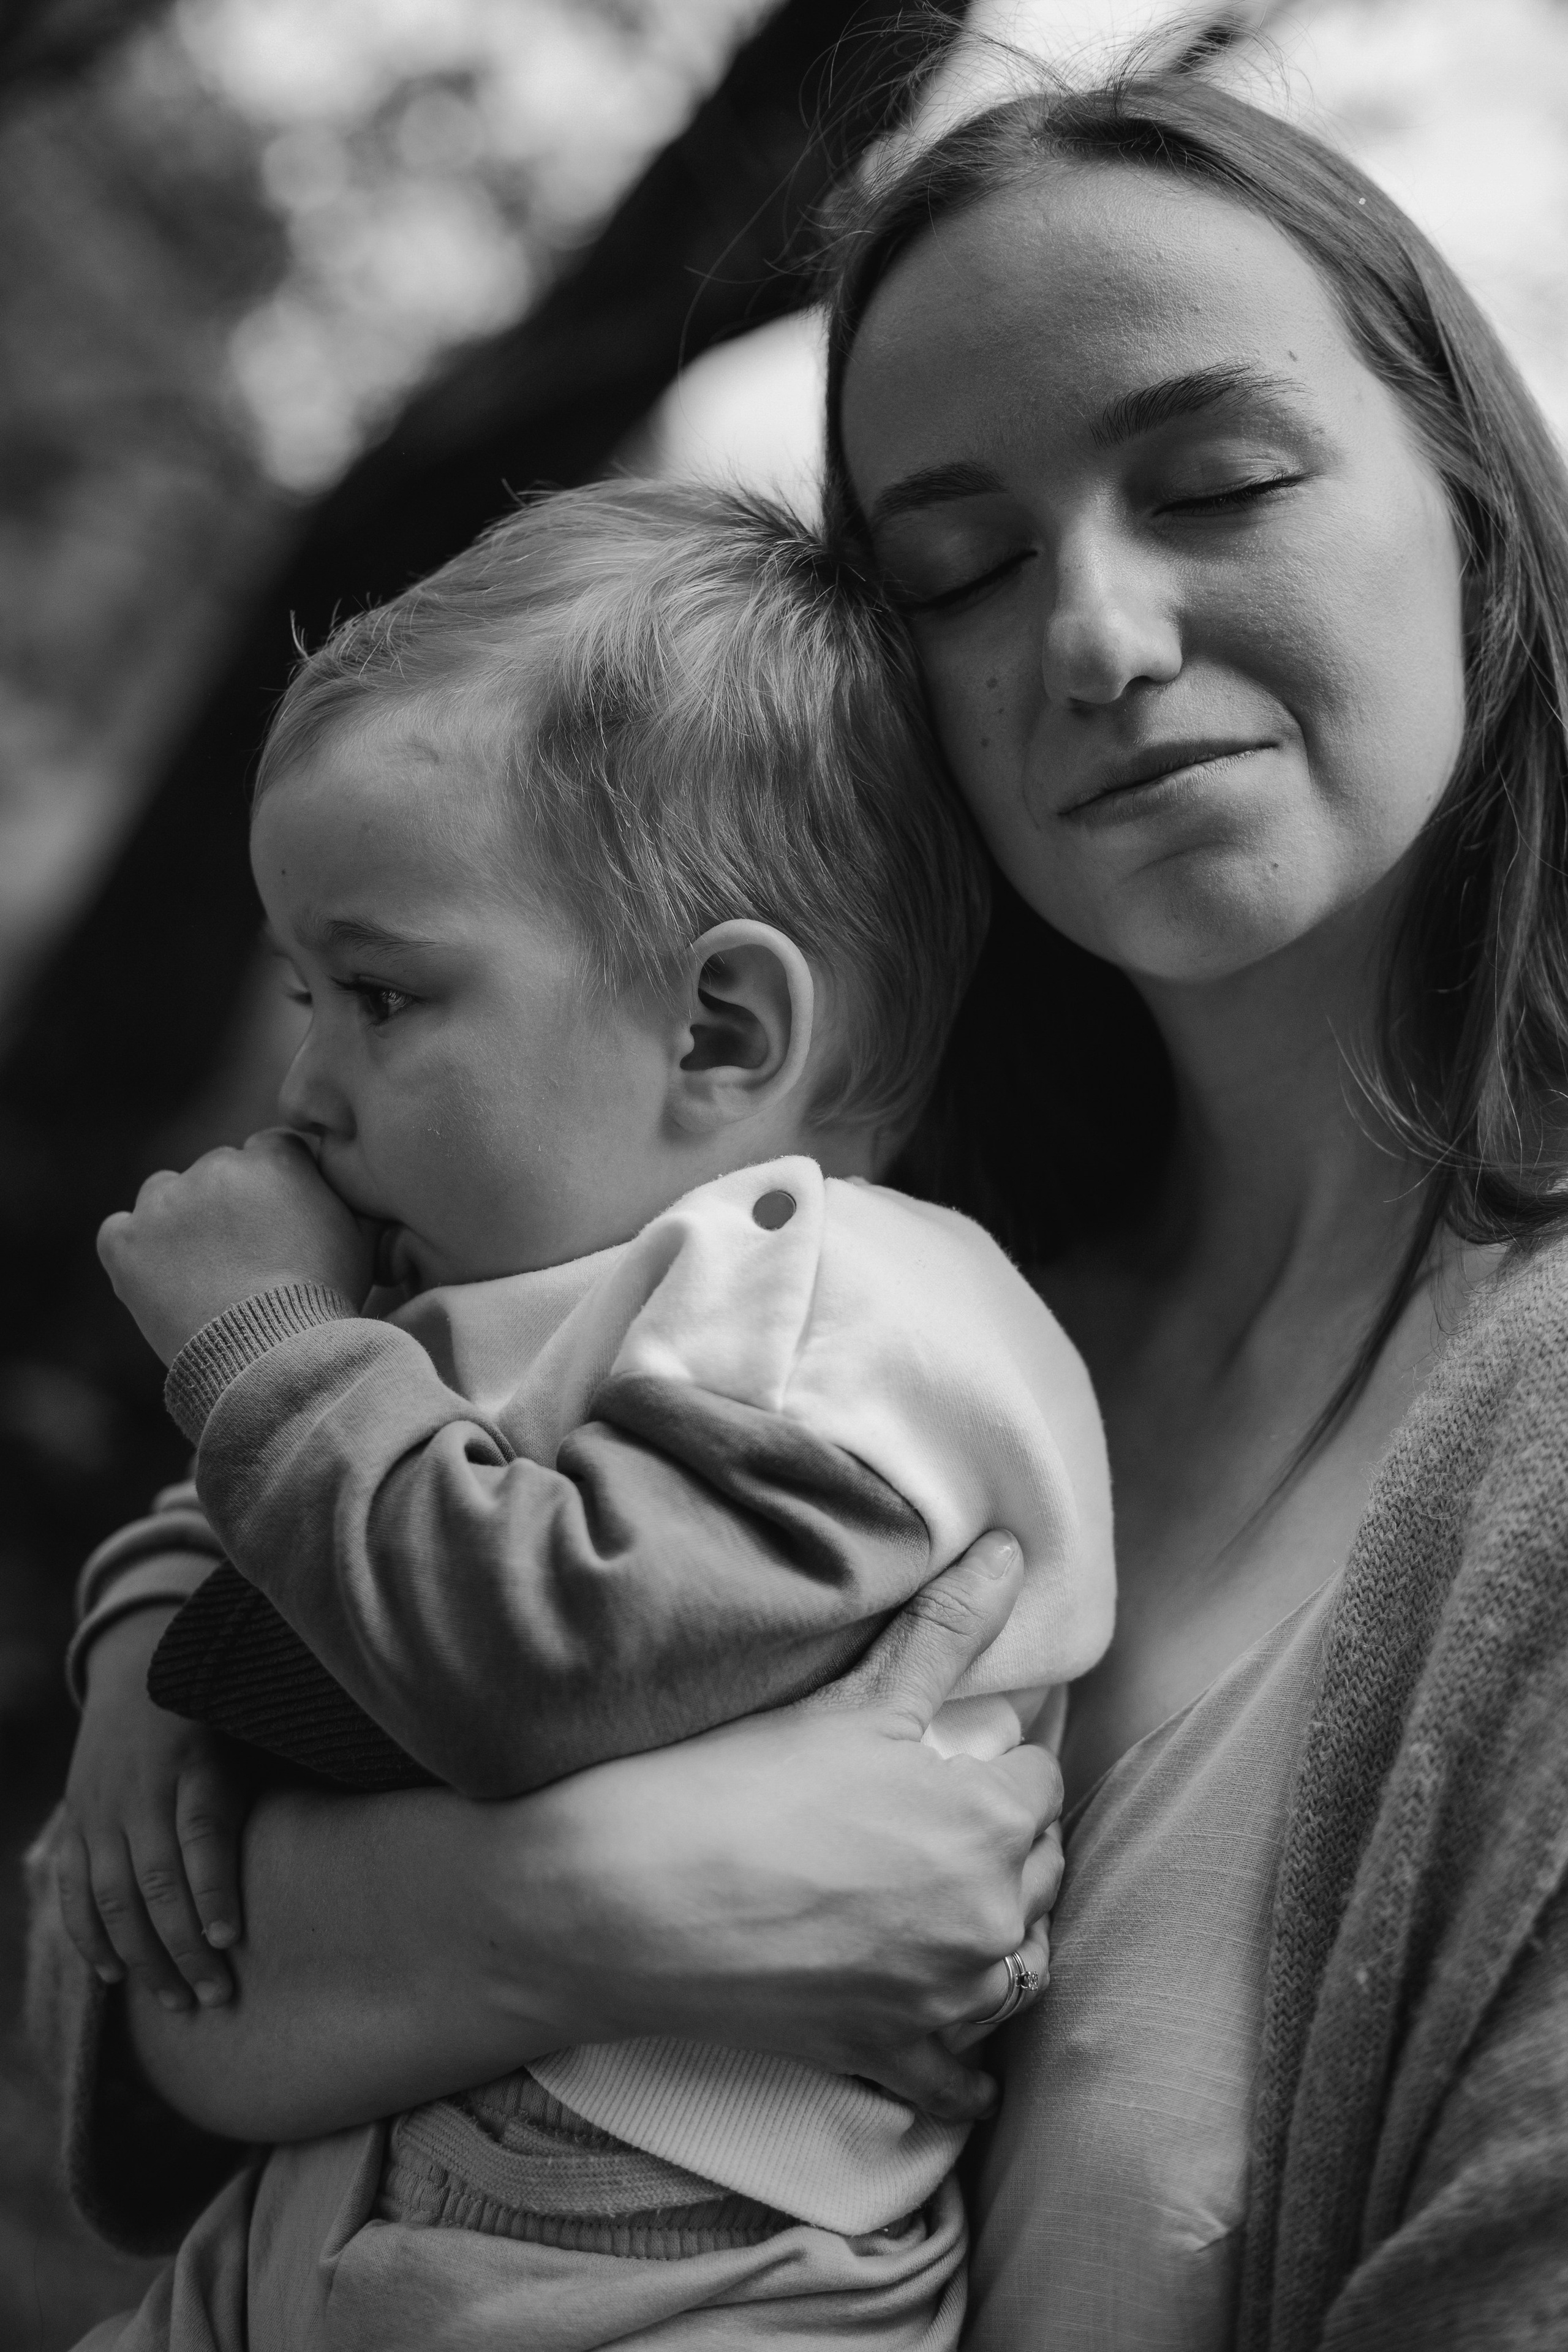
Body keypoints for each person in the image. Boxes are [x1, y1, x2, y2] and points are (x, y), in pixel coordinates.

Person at [30, 56, 1568, 2352]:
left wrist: (392, 1909)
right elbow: (127, 2027)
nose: (1098, 637)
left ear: (1465, 507)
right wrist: (596, 1904)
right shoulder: (747, 1241)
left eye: (1219, 479)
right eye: (957, 568)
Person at [52, 477, 1114, 2350]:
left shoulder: (838, 1310)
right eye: (306, 989)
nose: (307, 1080)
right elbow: (293, 1536)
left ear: (719, 1034)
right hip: (386, 2174)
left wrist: (265, 1349)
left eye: (382, 994)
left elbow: (536, 1659)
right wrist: (150, 1645)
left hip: (671, 2258)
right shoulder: (519, 1285)